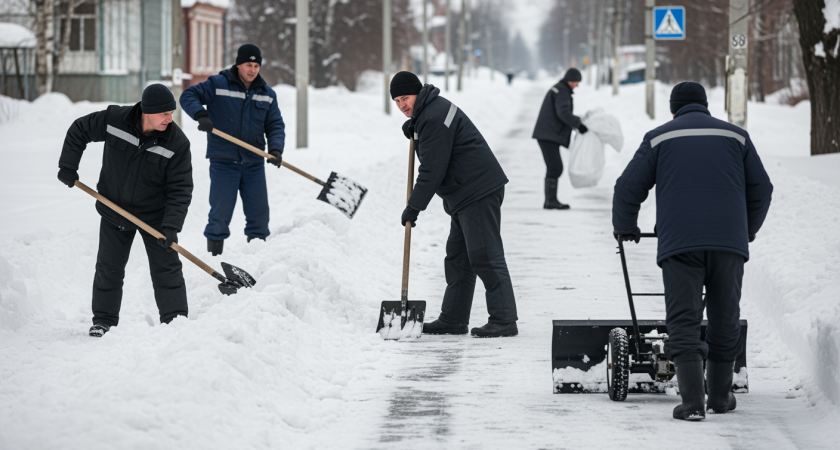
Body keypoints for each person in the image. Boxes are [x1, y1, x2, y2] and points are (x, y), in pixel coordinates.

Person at [612, 81, 773, 420]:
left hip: (680, 243)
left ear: (674, 108)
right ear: (705, 105)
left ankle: (692, 404)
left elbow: (627, 187)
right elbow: (762, 189)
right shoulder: (737, 137)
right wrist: (747, 228)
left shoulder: (659, 137)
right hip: (729, 242)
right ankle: (719, 396)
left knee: (683, 317)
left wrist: (625, 226)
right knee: (724, 315)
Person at [57, 84, 194, 337]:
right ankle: (103, 321)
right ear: (147, 111)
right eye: (164, 113)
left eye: (171, 113)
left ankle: (176, 322)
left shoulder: (177, 143)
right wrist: (68, 165)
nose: (169, 119)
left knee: (167, 269)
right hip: (114, 209)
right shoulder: (115, 120)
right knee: (108, 268)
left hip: (155, 216)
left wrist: (172, 226)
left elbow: (180, 188)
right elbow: (80, 129)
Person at [391, 71, 518, 338]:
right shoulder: (430, 111)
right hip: (465, 192)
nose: (402, 105)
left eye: (406, 98)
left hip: (477, 190)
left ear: (417, 93)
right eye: (397, 101)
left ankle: (504, 319)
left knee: (485, 255)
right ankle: (454, 319)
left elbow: (432, 170)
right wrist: (415, 126)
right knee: (458, 258)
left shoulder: (433, 118)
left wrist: (414, 207)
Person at [180, 43, 286, 256]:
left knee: (259, 215)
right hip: (224, 161)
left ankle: (257, 258)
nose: (253, 69)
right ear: (238, 64)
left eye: (256, 65)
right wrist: (200, 115)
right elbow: (187, 96)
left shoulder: (267, 94)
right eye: (248, 64)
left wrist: (275, 149)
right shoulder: (218, 84)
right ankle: (214, 258)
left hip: (253, 162)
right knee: (220, 213)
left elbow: (275, 124)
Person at [532, 67, 588, 210]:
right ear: (571, 80)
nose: (578, 85)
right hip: (548, 134)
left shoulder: (559, 89)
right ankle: (551, 201)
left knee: (554, 167)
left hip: (547, 133)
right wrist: (578, 124)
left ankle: (550, 200)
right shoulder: (562, 91)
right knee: (555, 167)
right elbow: (563, 113)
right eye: (577, 82)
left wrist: (577, 122)